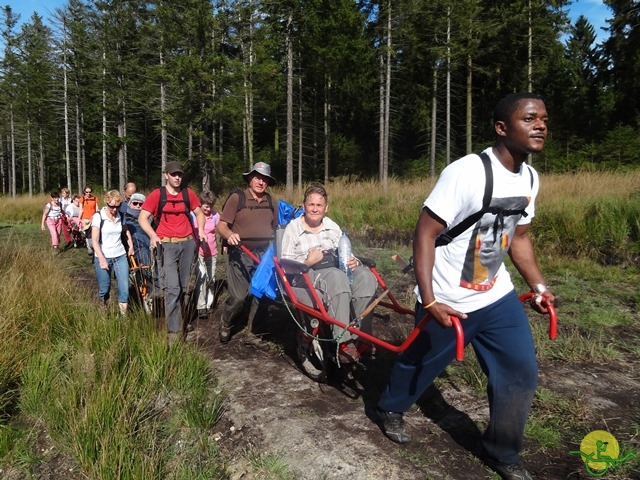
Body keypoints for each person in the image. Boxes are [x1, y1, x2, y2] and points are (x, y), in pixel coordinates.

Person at [368, 93, 556, 480]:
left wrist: (538, 285)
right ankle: (389, 406)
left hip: (497, 294)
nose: (541, 126)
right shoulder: (466, 172)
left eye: (544, 120)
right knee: (421, 361)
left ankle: (502, 452)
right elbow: (424, 233)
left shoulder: (531, 178)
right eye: (530, 119)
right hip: (448, 297)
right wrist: (431, 299)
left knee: (520, 370)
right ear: (502, 128)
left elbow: (518, 239)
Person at [280, 185, 378, 363]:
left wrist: (354, 261)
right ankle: (343, 341)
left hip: (335, 269)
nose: (315, 209)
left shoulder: (331, 226)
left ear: (326, 208)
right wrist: (308, 262)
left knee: (366, 277)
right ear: (304, 206)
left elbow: (345, 249)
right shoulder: (293, 229)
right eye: (311, 204)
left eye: (319, 205)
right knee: (336, 277)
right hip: (306, 275)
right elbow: (285, 266)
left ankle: (361, 333)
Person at [138, 161, 207, 343]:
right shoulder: (157, 195)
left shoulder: (188, 193)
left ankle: (180, 319)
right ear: (166, 175)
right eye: (174, 174)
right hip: (166, 245)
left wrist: (200, 229)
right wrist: (152, 235)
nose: (177, 177)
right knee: (172, 287)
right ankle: (174, 331)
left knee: (184, 288)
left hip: (187, 244)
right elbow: (143, 218)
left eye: (180, 175)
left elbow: (200, 213)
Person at [215, 161, 276, 346]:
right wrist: (229, 235)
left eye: (264, 179)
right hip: (240, 251)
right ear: (250, 179)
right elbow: (221, 225)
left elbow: (279, 226)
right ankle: (226, 323)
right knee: (239, 297)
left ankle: (253, 332)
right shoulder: (237, 198)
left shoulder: (272, 201)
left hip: (264, 255)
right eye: (257, 177)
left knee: (261, 294)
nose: (260, 182)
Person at [91, 190, 134, 315]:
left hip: (120, 255)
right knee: (105, 288)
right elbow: (94, 240)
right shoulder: (99, 216)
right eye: (112, 206)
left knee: (124, 287)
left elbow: (126, 232)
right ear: (106, 203)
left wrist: (130, 246)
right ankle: (104, 312)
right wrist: (102, 259)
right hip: (103, 255)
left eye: (117, 206)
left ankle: (123, 317)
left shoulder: (121, 216)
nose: (115, 209)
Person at [192, 190, 220, 320]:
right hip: (199, 252)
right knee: (201, 278)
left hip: (212, 252)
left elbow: (220, 230)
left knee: (211, 279)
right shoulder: (194, 216)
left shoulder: (215, 216)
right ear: (200, 204)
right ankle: (201, 306)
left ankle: (209, 303)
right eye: (206, 206)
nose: (208, 209)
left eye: (211, 206)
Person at [79, 186, 99, 254]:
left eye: (89, 192)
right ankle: (89, 247)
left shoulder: (95, 199)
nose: (88, 193)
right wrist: (79, 219)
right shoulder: (82, 199)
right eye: (87, 192)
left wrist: (97, 215)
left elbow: (96, 208)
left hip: (93, 218)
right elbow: (81, 210)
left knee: (94, 232)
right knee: (87, 233)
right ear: (84, 192)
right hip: (85, 218)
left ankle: (95, 245)